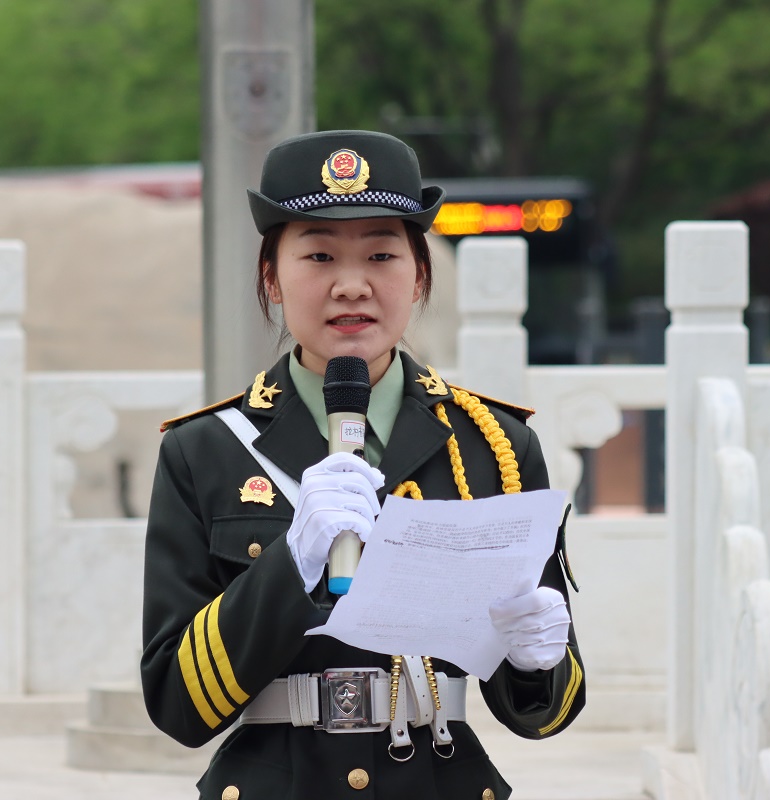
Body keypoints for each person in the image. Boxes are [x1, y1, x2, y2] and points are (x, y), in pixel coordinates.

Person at [141, 129, 584, 800]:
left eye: (381, 254)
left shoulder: (493, 445)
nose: (352, 286)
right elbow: (176, 704)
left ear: (420, 274)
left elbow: (543, 714)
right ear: (272, 277)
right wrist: (289, 565)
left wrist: (534, 659)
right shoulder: (207, 449)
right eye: (319, 255)